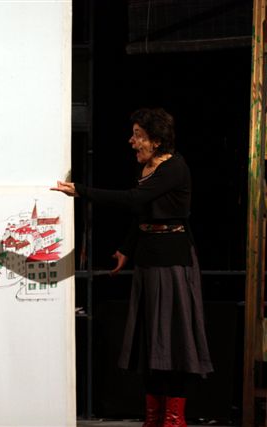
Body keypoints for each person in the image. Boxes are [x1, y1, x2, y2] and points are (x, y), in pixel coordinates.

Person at [52, 107, 212, 427]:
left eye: (138, 135)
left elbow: (132, 200)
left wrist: (81, 190)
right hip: (149, 258)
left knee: (172, 341)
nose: (132, 141)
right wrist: (126, 248)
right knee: (151, 342)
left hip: (172, 260)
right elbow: (143, 212)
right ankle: (153, 419)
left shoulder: (174, 168)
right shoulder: (148, 167)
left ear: (156, 140)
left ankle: (173, 420)